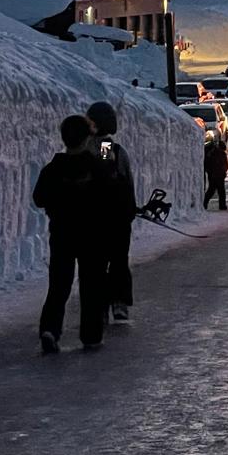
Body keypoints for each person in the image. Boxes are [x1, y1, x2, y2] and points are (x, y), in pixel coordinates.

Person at [33, 115, 117, 352]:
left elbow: (39, 198)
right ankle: (91, 335)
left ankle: (50, 329)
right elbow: (111, 189)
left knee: (59, 285)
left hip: (61, 233)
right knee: (92, 285)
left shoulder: (53, 168)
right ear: (88, 137)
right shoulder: (96, 164)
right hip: (92, 236)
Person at [85, 102, 137, 324]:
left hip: (93, 218)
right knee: (118, 261)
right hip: (115, 217)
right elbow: (122, 179)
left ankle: (100, 304)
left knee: (97, 264)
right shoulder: (110, 148)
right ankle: (119, 302)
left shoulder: (85, 148)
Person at [203, 137, 228, 210]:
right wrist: (223, 172)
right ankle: (222, 205)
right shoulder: (220, 154)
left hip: (214, 175)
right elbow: (224, 165)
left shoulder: (213, 153)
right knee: (218, 191)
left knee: (213, 190)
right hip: (217, 175)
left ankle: (205, 203)